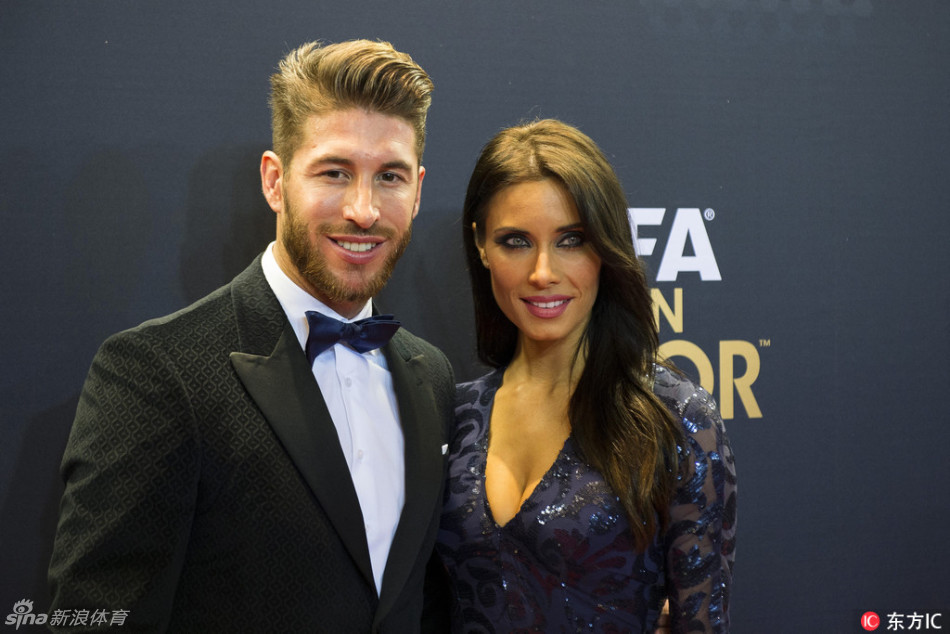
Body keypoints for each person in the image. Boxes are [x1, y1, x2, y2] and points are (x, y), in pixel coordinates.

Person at [48, 39, 454, 632]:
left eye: (388, 176)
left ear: (417, 191)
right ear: (274, 180)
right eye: (335, 172)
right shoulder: (158, 373)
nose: (364, 210)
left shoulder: (432, 375)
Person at [436, 119, 736, 632]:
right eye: (515, 241)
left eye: (571, 240)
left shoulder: (678, 420)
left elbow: (701, 624)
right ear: (481, 245)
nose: (543, 272)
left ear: (606, 247)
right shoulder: (450, 413)